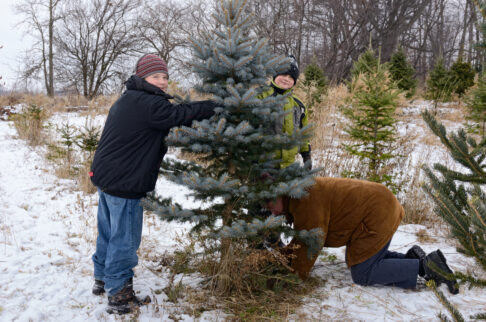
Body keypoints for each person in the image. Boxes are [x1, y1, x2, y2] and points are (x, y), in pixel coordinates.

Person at [89, 53, 217, 314]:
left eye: (165, 77)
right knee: (124, 238)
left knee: (109, 231)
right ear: (142, 77)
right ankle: (119, 295)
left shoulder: (131, 98)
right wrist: (217, 106)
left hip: (107, 176)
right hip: (125, 181)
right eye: (155, 76)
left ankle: (103, 278)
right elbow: (179, 114)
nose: (161, 82)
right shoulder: (147, 103)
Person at [264, 177, 459, 294]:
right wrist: (283, 259)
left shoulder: (304, 200)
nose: (272, 213)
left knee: (363, 273)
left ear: (280, 193)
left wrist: (291, 279)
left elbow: (311, 241)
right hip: (380, 206)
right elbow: (303, 238)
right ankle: (416, 261)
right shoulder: (297, 196)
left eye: (271, 206)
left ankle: (426, 266)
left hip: (377, 213)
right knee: (370, 260)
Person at [260, 55, 312, 170]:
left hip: (288, 167)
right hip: (262, 165)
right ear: (275, 75)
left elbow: (303, 134)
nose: (286, 79)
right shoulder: (259, 96)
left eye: (291, 77)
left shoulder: (299, 105)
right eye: (283, 74)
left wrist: (306, 156)